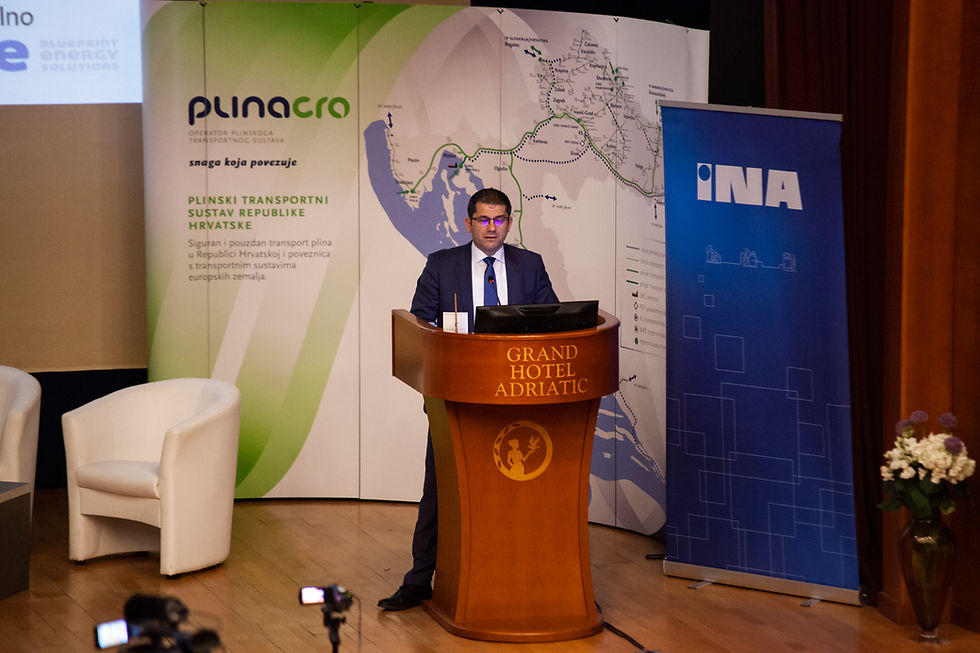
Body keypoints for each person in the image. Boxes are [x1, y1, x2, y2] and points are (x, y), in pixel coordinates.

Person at [377, 187, 558, 611]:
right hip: (455, 398)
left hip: (517, 396)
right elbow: (419, 324)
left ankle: (526, 576)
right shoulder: (442, 265)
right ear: (468, 223)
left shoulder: (530, 265)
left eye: (499, 219)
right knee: (440, 489)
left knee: (518, 492)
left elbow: (552, 322)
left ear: (509, 223)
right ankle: (420, 580)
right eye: (483, 219)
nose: (491, 227)